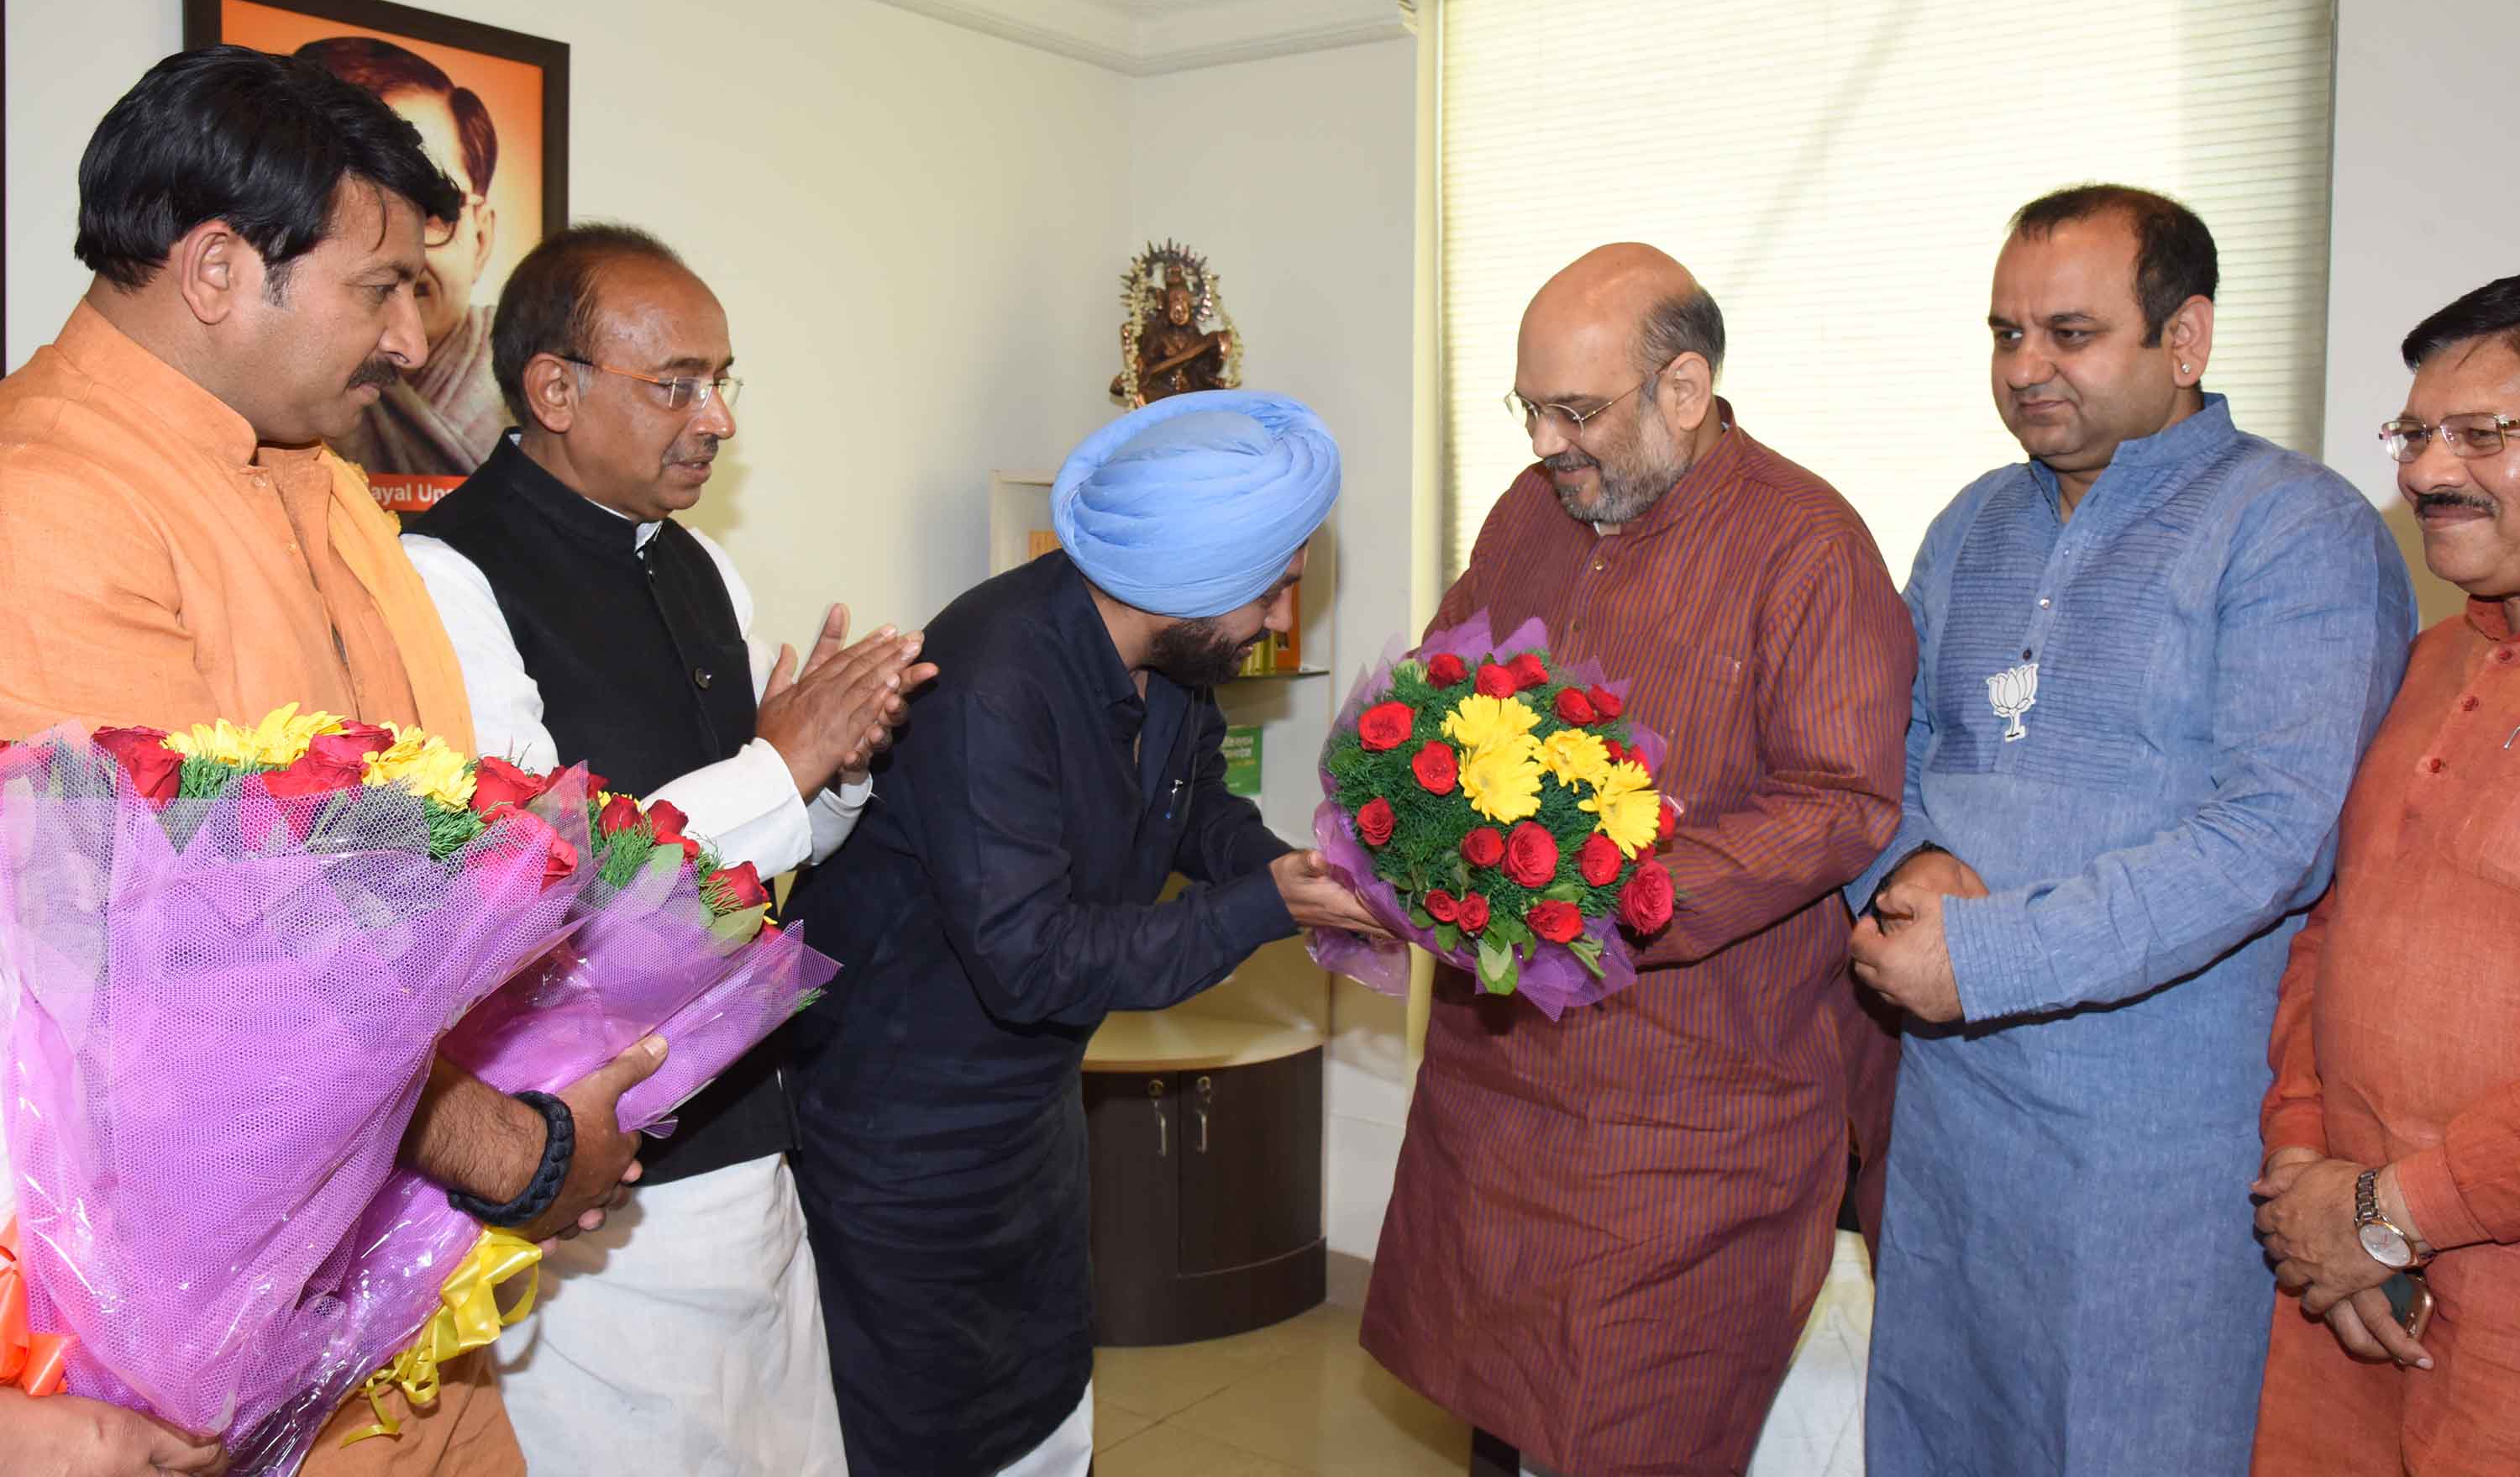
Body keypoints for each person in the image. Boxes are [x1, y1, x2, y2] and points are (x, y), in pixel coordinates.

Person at [0, 46, 657, 1476]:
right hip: (183, 1344)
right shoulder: (47, 506)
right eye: (380, 291)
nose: (416, 344)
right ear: (222, 268)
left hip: (398, 1293)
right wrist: (519, 1152)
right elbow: (208, 980)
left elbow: (407, 866)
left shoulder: (320, 472)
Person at [1846, 185, 2414, 1475]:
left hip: (2157, 1139)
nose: (2026, 369)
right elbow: (1890, 754)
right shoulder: (1974, 522)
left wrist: (1987, 958)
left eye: (2069, 333)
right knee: (1942, 1429)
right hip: (1954, 1107)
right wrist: (1903, 870)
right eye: (2005, 334)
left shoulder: (2295, 529)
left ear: (2187, 338)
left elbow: (2272, 836)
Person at [1360, 244, 1914, 1477]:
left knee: (1635, 1432)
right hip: (1499, 1089)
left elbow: (1843, 801)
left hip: (1686, 1111)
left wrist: (1610, 891)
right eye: (1532, 407)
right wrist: (1398, 836)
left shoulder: (1808, 548)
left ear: (1685, 388)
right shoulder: (1527, 512)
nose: (1549, 440)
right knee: (1504, 1425)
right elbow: (1442, 709)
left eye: (1579, 411)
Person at [402, 223, 931, 1474]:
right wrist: (783, 760)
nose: (718, 420)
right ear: (554, 389)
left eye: (722, 380)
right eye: (677, 384)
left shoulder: (700, 567)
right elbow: (540, 886)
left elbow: (770, 846)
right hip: (592, 1161)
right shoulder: (445, 575)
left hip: (752, 1119)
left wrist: (839, 767)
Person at [785, 391, 1379, 1477]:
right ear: (1195, 579)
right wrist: (1267, 907)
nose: (1285, 613)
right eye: (1278, 582)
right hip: (903, 1141)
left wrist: (1302, 871)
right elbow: (1034, 962)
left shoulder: (1174, 662)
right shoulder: (991, 684)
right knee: (931, 1443)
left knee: (1049, 1420)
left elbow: (1196, 811)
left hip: (1032, 1120)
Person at [2252, 275, 2520, 1476]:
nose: (2423, 472)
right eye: (2415, 433)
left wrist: (2393, 1214)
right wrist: (2311, 1180)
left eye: (2482, 435)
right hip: (2352, 1312)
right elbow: (2325, 931)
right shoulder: (2418, 666)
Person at [297, 36, 509, 480]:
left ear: (482, 237)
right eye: (353, 211)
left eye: (435, 212)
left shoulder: (530, 378)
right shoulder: (266, 407)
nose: (398, 245)